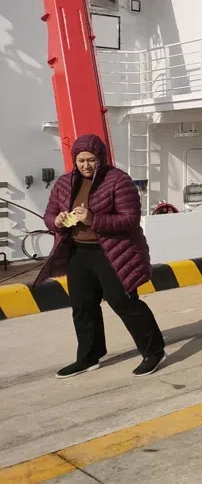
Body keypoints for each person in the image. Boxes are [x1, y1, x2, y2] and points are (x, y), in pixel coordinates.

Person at [37, 134, 166, 378]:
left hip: (113, 251)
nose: (86, 165)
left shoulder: (118, 180)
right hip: (78, 251)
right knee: (82, 306)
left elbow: (130, 219)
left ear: (101, 159)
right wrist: (56, 221)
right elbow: (50, 213)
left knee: (123, 302)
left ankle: (154, 352)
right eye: (81, 160)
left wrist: (92, 219)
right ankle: (88, 357)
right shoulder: (64, 183)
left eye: (91, 160)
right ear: (74, 160)